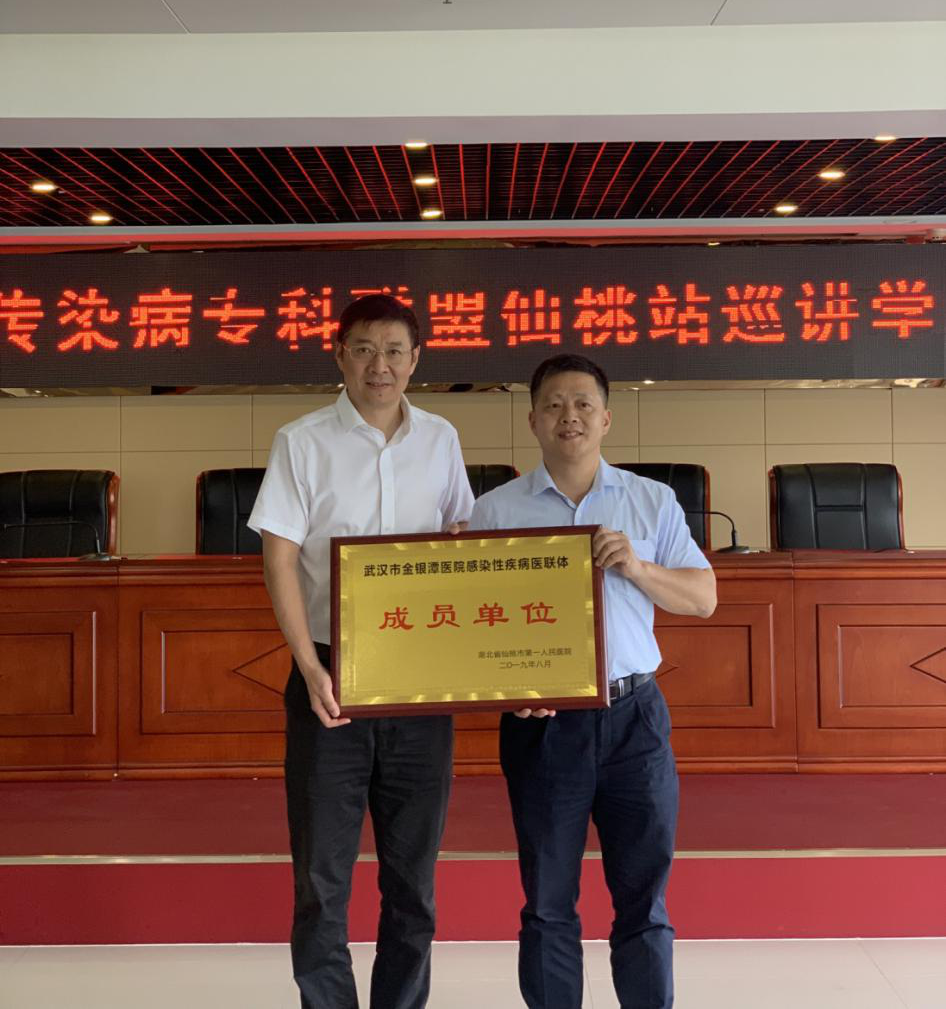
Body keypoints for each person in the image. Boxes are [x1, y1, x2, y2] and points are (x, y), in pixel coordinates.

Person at [248, 293, 474, 1009]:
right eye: (366, 349)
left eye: (395, 351)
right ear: (340, 354)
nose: (381, 365)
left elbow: (464, 544)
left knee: (413, 878)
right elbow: (280, 558)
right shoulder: (301, 441)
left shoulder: (441, 438)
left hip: (421, 680)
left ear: (416, 360)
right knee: (322, 878)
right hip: (329, 675)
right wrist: (308, 665)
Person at [470, 354, 716, 1009]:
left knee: (644, 897)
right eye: (553, 404)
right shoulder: (493, 512)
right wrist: (506, 688)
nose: (569, 416)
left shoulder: (650, 500)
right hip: (544, 726)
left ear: (606, 418)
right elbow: (471, 628)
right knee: (547, 901)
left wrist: (637, 566)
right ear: (532, 420)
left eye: (583, 403)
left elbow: (703, 597)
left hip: (635, 719)